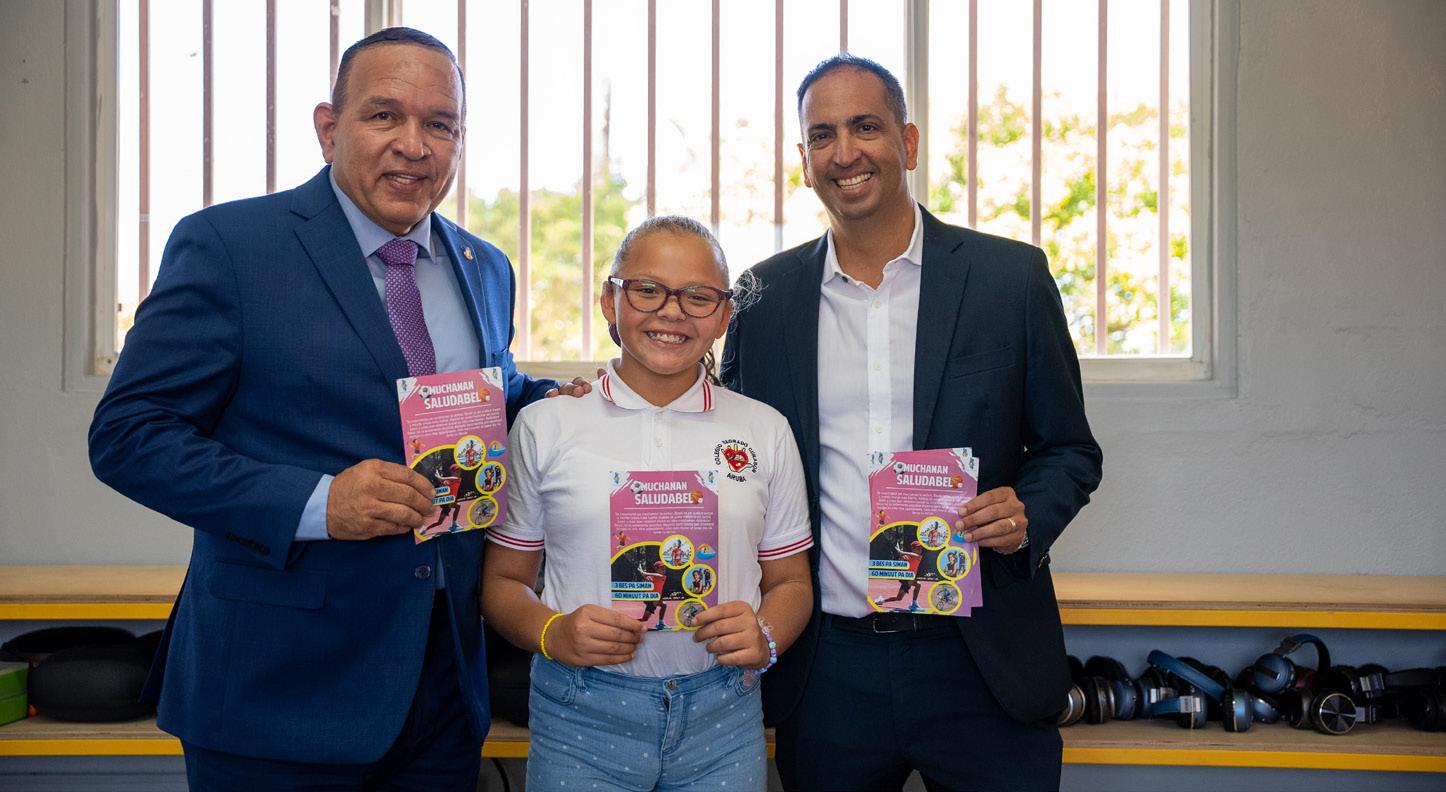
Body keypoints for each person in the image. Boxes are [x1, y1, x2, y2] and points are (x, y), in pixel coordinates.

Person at [88, 27, 588, 790]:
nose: (414, 145)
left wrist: (556, 402)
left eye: (440, 124)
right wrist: (320, 504)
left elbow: (480, 396)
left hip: (442, 687)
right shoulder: (231, 246)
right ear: (329, 129)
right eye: (385, 115)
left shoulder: (486, 265)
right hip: (276, 690)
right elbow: (129, 436)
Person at [722, 54, 1103, 790]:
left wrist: (1026, 514)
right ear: (804, 160)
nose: (845, 153)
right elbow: (729, 443)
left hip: (979, 656)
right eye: (822, 135)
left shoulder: (1009, 280)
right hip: (827, 669)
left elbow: (1069, 449)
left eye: (865, 127)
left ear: (910, 142)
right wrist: (590, 396)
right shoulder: (763, 299)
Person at [482, 216, 815, 791]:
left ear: (724, 317)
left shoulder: (764, 429)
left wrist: (765, 635)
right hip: (580, 717)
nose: (671, 312)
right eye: (647, 289)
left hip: (723, 718)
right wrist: (553, 633)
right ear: (609, 302)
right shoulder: (546, 424)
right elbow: (502, 584)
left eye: (698, 296)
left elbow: (792, 584)